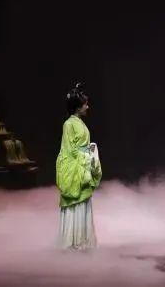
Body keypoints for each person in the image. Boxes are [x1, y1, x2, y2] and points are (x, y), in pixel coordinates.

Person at [56, 82, 102, 250]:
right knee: (75, 204)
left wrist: (91, 151)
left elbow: (81, 147)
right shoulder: (69, 124)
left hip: (83, 166)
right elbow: (69, 150)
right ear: (77, 107)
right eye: (85, 104)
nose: (87, 107)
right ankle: (73, 243)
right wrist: (87, 156)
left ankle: (82, 241)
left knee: (83, 204)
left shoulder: (79, 122)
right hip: (77, 169)